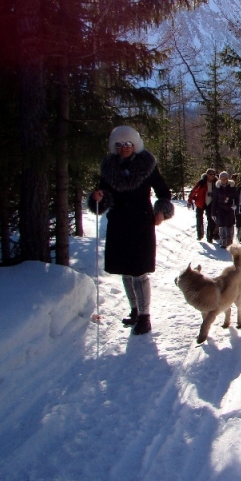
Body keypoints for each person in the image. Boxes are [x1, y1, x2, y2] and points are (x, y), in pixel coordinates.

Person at [88, 126, 174, 335]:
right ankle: (135, 310)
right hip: (118, 222)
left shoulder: (147, 164)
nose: (124, 148)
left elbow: (163, 192)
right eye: (119, 145)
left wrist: (161, 211)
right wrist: (97, 198)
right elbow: (105, 196)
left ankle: (145, 316)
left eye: (127, 144)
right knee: (125, 271)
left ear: (134, 145)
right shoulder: (108, 167)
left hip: (141, 222)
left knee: (139, 271)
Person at [187, 168, 218, 242]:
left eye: (214, 174)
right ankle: (200, 235)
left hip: (211, 203)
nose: (213, 176)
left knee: (211, 220)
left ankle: (209, 237)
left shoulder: (216, 183)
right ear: (207, 174)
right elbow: (193, 191)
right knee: (199, 219)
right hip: (200, 202)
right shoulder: (201, 182)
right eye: (211, 174)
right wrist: (189, 201)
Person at [211, 170, 237, 248]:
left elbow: (236, 198)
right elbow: (214, 200)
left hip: (230, 208)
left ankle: (229, 241)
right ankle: (223, 241)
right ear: (220, 179)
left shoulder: (232, 187)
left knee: (230, 224)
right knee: (221, 224)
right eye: (222, 178)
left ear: (227, 179)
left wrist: (235, 205)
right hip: (220, 208)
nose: (223, 180)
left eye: (225, 178)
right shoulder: (217, 188)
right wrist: (213, 212)